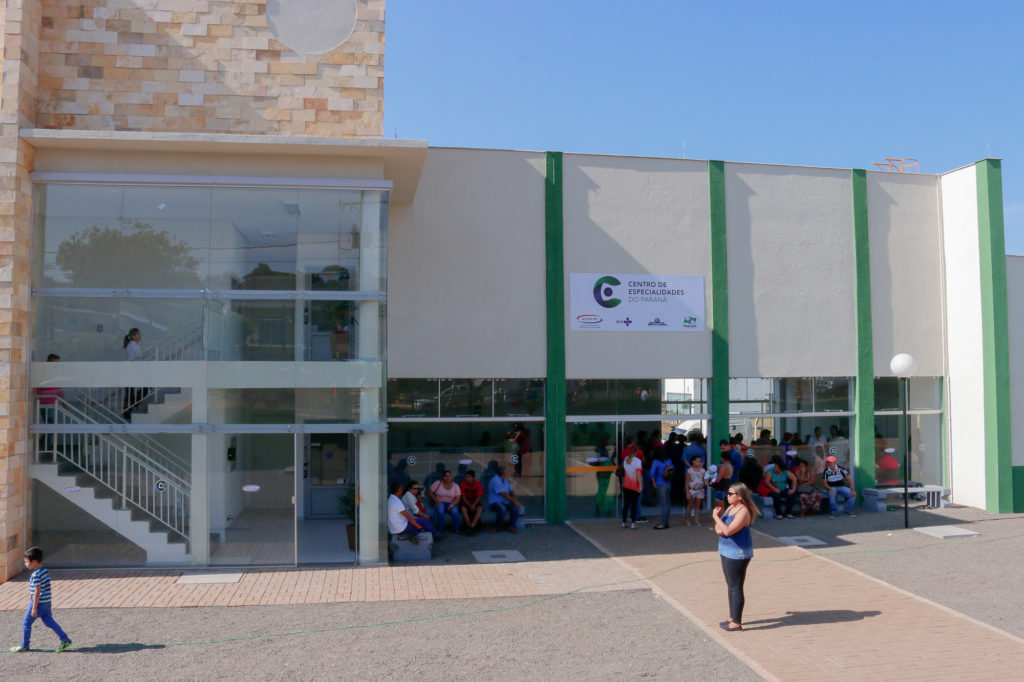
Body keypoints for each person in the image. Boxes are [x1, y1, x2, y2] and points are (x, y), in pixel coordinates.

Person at [712, 483, 760, 632]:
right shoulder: (730, 508)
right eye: (728, 493)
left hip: (738, 554)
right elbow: (719, 529)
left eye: (730, 494)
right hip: (725, 551)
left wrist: (715, 517)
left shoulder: (743, 511)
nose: (727, 496)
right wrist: (719, 523)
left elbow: (728, 531)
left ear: (739, 496)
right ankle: (732, 617)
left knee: (736, 586)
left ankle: (737, 623)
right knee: (731, 585)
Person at [10, 547, 72, 652]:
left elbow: (37, 592)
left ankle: (24, 646)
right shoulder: (44, 570)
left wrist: (34, 608)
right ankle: (65, 640)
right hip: (46, 602)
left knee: (26, 623)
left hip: (38, 603)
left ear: (34, 562)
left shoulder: (35, 575)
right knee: (49, 621)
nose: (25, 564)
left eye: (26, 561)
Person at [35, 354, 64, 455]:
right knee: (50, 427)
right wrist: (38, 398)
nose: (57, 365)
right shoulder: (44, 373)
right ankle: (44, 447)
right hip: (45, 404)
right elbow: (38, 387)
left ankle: (43, 447)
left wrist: (63, 402)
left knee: (50, 427)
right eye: (55, 363)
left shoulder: (55, 374)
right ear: (49, 362)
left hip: (53, 404)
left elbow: (59, 390)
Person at [488, 466, 522, 533]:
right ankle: (496, 528)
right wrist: (515, 502)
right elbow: (504, 494)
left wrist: (514, 497)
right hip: (495, 502)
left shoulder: (504, 479)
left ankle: (511, 526)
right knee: (502, 509)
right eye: (507, 472)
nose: (508, 473)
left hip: (505, 501)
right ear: (503, 473)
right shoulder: (495, 480)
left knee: (514, 508)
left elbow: (510, 490)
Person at [761, 455, 796, 519]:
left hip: (783, 489)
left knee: (791, 495)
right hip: (773, 489)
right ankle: (778, 513)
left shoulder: (785, 472)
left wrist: (793, 489)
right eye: (774, 466)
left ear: (780, 468)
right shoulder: (770, 471)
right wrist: (774, 489)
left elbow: (794, 478)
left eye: (776, 467)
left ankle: (788, 512)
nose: (774, 467)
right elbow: (766, 481)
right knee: (776, 496)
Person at [619, 438, 643, 530]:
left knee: (626, 504)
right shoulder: (638, 461)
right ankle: (633, 523)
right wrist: (640, 485)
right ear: (636, 451)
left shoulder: (626, 459)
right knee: (634, 505)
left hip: (626, 485)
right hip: (634, 485)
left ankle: (623, 522)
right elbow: (638, 474)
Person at [429, 470, 462, 536]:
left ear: (451, 477)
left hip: (451, 503)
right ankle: (440, 529)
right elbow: (430, 492)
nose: (448, 477)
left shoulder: (455, 486)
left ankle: (457, 529)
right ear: (443, 477)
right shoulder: (438, 483)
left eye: (449, 475)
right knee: (440, 511)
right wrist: (436, 500)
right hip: (440, 502)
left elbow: (458, 498)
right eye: (446, 476)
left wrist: (452, 505)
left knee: (455, 512)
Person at [122, 328, 145, 419]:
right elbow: (132, 359)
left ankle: (135, 402)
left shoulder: (135, 345)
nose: (140, 335)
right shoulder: (131, 346)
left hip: (135, 371)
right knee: (129, 393)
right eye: (138, 334)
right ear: (133, 336)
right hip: (130, 371)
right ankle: (127, 412)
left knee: (132, 392)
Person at [649, 449, 673, 529]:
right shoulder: (668, 460)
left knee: (663, 505)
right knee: (668, 503)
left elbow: (652, 473)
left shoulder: (656, 461)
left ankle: (662, 523)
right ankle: (666, 522)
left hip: (660, 483)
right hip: (668, 483)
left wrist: (653, 482)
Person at [459, 469, 485, 535]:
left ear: (473, 478)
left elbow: (478, 498)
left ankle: (472, 526)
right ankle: (469, 526)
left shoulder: (478, 484)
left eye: (468, 477)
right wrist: (470, 506)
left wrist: (473, 505)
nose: (466, 478)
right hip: (466, 503)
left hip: (475, 502)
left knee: (480, 508)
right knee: (463, 509)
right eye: (466, 477)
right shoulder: (463, 484)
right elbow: (463, 498)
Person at [685, 455, 706, 526]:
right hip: (692, 490)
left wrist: (706, 483)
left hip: (700, 490)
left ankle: (697, 520)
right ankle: (687, 520)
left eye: (700, 461)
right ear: (693, 462)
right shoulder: (689, 471)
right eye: (697, 461)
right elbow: (686, 482)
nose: (699, 463)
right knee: (690, 505)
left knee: (698, 506)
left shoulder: (703, 471)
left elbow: (704, 480)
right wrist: (687, 493)